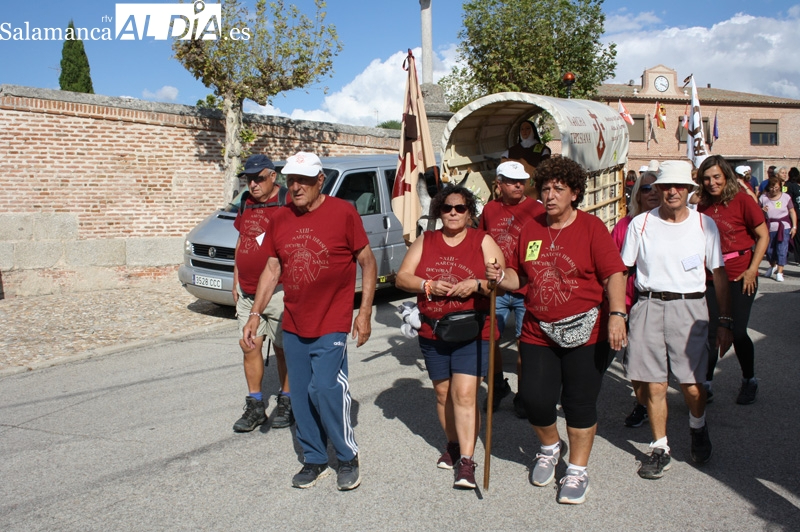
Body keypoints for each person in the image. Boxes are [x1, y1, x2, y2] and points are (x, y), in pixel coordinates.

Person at [487, 156, 627, 505]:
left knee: (579, 403)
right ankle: (550, 447)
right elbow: (519, 275)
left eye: (558, 189)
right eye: (546, 188)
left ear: (575, 193)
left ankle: (577, 470)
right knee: (534, 400)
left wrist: (618, 315)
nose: (549, 195)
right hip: (538, 330)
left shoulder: (592, 228)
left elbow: (613, 274)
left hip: (585, 330)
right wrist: (500, 277)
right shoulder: (532, 228)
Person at [243, 151, 377, 491]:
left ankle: (347, 456)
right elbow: (273, 269)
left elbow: (367, 261)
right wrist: (254, 315)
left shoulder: (343, 212)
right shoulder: (281, 218)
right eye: (291, 179)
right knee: (300, 395)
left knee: (326, 389)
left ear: (321, 181)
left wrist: (363, 313)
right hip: (294, 319)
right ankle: (315, 460)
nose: (296, 186)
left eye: (304, 180)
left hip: (332, 319)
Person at [621, 160, 733, 480]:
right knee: (654, 383)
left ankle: (697, 426)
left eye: (679, 186)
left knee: (693, 385)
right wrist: (617, 313)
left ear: (688, 190)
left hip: (690, 307)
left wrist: (725, 321)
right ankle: (660, 447)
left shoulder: (703, 225)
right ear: (656, 189)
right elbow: (622, 269)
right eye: (666, 186)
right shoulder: (641, 224)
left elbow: (720, 275)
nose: (672, 191)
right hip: (649, 304)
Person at [396, 185, 504, 490]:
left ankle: (467, 462)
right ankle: (454, 444)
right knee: (443, 394)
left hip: (473, 329)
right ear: (439, 211)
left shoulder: (482, 240)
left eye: (460, 208)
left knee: (465, 395)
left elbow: (502, 279)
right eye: (447, 208)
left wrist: (478, 283)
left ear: (470, 211)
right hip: (433, 331)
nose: (453, 213)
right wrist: (428, 284)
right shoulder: (426, 239)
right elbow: (403, 277)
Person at [696, 155, 769, 405]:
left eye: (716, 176)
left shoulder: (742, 200)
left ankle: (749, 379)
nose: (712, 182)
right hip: (712, 277)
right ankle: (706, 383)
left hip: (741, 275)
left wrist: (752, 269)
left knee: (737, 331)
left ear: (725, 176)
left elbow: (763, 236)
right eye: (706, 178)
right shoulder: (702, 205)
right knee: (711, 331)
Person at [231, 154, 293, 433]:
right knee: (249, 346)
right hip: (247, 290)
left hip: (279, 291)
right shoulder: (245, 202)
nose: (253, 184)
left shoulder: (288, 201)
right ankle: (255, 404)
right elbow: (241, 240)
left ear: (273, 176)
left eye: (258, 178)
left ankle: (287, 400)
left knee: (283, 349)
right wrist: (235, 280)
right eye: (248, 179)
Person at [478, 161, 544, 416]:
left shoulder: (536, 209)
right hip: (497, 286)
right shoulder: (490, 210)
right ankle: (497, 386)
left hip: (526, 284)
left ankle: (523, 393)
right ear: (499, 184)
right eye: (512, 181)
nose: (519, 185)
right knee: (489, 338)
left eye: (522, 181)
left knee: (524, 343)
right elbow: (482, 241)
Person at [611, 168, 661, 428]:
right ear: (637, 194)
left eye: (656, 187)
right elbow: (613, 266)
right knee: (634, 358)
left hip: (663, 300)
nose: (652, 193)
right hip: (632, 300)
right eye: (645, 188)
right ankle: (642, 404)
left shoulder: (672, 223)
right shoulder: (624, 226)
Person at [759, 176, 797, 282]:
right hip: (769, 227)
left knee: (782, 249)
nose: (774, 189)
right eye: (772, 187)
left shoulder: (786, 197)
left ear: (780, 187)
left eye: (776, 187)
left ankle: (780, 271)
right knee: (769, 250)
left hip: (783, 226)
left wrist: (794, 226)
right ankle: (773, 265)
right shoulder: (763, 198)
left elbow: (792, 211)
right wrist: (762, 210)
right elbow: (757, 213)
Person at [501, 119, 551, 186]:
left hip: (533, 187)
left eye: (527, 128)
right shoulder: (512, 151)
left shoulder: (542, 150)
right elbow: (502, 168)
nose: (524, 131)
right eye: (522, 129)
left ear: (533, 130)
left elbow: (546, 170)